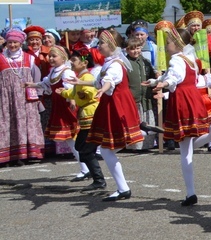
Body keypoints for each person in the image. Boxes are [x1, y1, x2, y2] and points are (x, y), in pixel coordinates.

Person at [151, 27, 211, 205]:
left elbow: (175, 77)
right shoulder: (190, 59)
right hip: (192, 98)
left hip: (181, 101)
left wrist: (164, 83)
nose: (166, 47)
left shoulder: (176, 59)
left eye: (168, 43)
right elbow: (182, 77)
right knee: (187, 144)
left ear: (178, 43)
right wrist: (156, 81)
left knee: (184, 150)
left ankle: (190, 193)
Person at [86, 31, 144, 201]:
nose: (99, 46)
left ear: (111, 45)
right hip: (112, 104)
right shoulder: (109, 62)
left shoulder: (116, 64)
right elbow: (100, 81)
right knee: (108, 147)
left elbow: (111, 80)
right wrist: (80, 82)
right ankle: (122, 188)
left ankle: (123, 188)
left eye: (101, 43)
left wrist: (102, 90)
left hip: (116, 104)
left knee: (107, 148)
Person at [0, 28, 43, 166]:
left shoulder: (29, 58)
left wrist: (37, 94)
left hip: (26, 99)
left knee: (27, 123)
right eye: (10, 42)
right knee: (8, 124)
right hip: (7, 99)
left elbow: (37, 77)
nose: (12, 45)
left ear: (20, 43)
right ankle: (9, 155)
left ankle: (27, 154)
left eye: (15, 42)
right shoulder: (1, 57)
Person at [62, 50, 104, 187]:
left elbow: (91, 91)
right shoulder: (80, 77)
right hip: (86, 115)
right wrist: (62, 92)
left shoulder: (86, 77)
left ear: (84, 63)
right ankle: (96, 178)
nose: (71, 63)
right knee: (82, 148)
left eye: (74, 60)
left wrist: (83, 94)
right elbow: (73, 93)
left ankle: (98, 179)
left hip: (91, 114)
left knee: (85, 149)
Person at [35, 46, 78, 162]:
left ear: (63, 58)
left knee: (73, 136)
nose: (51, 59)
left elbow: (72, 87)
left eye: (54, 56)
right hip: (58, 105)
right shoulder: (53, 71)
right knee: (69, 138)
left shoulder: (66, 72)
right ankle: (84, 167)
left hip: (66, 105)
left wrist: (72, 100)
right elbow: (45, 83)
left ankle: (86, 165)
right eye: (50, 56)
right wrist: (31, 84)